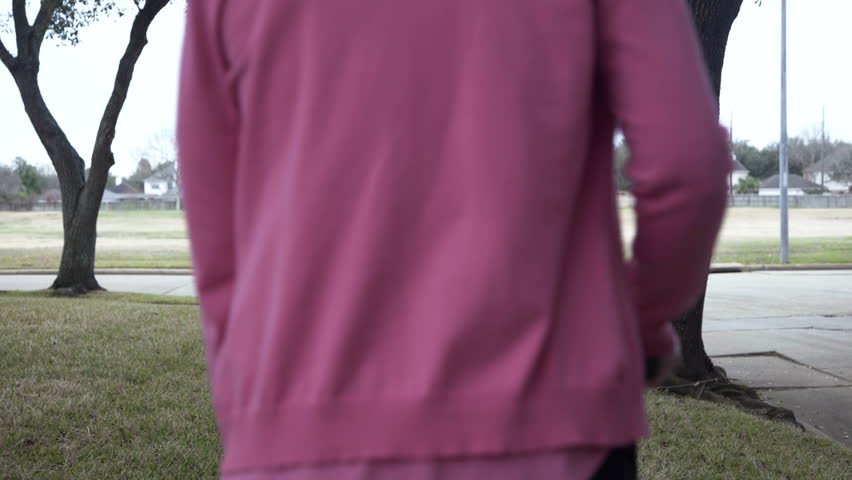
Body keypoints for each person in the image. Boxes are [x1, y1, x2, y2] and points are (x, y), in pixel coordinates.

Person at [177, 0, 730, 478]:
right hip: (554, 428)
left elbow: (220, 242)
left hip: (296, 433)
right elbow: (688, 168)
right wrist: (634, 321)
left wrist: (256, 398)